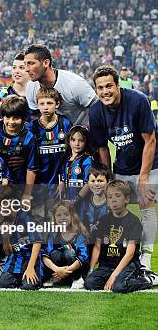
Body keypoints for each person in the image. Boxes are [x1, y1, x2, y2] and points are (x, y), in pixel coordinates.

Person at [89, 65, 158, 270]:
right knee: (116, 207)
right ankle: (119, 253)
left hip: (151, 162)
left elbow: (151, 140)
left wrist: (144, 178)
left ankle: (145, 257)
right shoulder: (95, 111)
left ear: (118, 85)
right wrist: (108, 178)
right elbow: (102, 147)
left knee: (146, 203)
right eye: (100, 88)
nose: (105, 91)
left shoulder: (138, 100)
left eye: (109, 86)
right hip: (124, 165)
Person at [84, 180, 155, 292]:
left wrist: (114, 276)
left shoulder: (133, 222)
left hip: (128, 265)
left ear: (126, 199)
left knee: (119, 287)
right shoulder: (103, 220)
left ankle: (147, 279)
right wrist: (91, 270)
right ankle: (115, 277)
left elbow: (130, 253)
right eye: (110, 197)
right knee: (89, 283)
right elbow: (97, 247)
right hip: (107, 265)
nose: (114, 200)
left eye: (118, 196)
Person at [24, 44, 97, 125]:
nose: (26, 69)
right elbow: (35, 117)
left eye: (31, 63)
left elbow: (99, 109)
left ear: (46, 63)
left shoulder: (74, 84)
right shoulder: (30, 87)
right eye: (25, 64)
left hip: (82, 134)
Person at [28, 87, 71, 221]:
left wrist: (64, 179)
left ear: (57, 104)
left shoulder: (65, 123)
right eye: (42, 104)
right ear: (37, 105)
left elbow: (70, 155)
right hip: (39, 184)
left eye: (49, 103)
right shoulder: (32, 127)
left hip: (59, 183)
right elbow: (29, 160)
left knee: (58, 220)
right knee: (39, 220)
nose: (45, 107)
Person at [41, 201, 88, 289]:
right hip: (58, 271)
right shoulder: (53, 234)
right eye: (59, 215)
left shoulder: (79, 234)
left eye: (66, 214)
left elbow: (83, 256)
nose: (62, 218)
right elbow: (45, 255)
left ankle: (77, 278)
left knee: (69, 253)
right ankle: (57, 278)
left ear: (72, 216)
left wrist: (66, 270)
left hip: (74, 269)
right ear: (54, 218)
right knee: (55, 253)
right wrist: (57, 270)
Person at [0, 51, 31, 118]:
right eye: (14, 67)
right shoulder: (0, 95)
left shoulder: (37, 96)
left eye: (21, 67)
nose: (16, 71)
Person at [60, 125, 93, 204]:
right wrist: (61, 184)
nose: (77, 144)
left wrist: (77, 199)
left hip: (82, 203)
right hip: (67, 201)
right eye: (73, 140)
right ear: (68, 141)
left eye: (81, 140)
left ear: (86, 142)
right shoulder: (66, 160)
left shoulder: (87, 161)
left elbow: (88, 183)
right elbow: (63, 179)